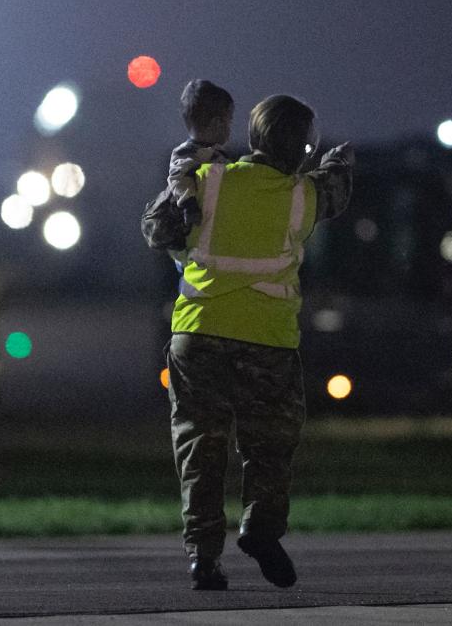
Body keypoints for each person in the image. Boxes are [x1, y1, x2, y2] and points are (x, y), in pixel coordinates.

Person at [142, 94, 354, 591]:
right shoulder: (302, 196)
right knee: (270, 447)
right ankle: (260, 529)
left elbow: (156, 229)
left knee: (200, 447)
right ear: (302, 148)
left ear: (252, 137)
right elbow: (336, 190)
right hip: (269, 343)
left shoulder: (210, 182)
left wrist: (185, 175)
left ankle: (203, 557)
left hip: (198, 335)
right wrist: (338, 161)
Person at [142, 79, 233, 257]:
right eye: (229, 121)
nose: (230, 128)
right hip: (188, 232)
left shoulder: (214, 154)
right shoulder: (187, 153)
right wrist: (189, 206)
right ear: (217, 124)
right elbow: (178, 178)